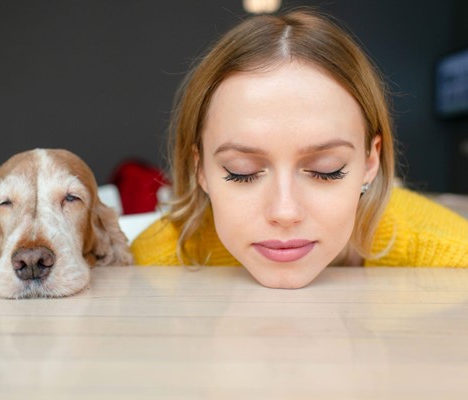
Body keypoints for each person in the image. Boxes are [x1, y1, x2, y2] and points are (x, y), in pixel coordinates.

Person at [130, 9, 468, 289]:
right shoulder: (152, 261)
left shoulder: (452, 253)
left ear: (370, 162)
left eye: (326, 169)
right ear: (200, 169)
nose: (285, 212)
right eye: (241, 172)